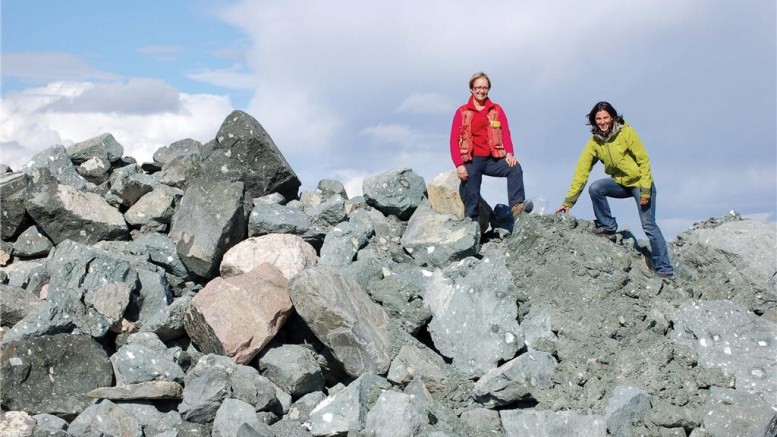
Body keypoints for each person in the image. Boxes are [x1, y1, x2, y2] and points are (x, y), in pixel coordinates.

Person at [555, 101, 674, 277]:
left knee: (648, 225)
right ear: (594, 121)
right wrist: (568, 202)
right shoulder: (595, 143)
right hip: (621, 184)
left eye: (605, 118)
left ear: (612, 118)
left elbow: (643, 161)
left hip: (640, 183)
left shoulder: (627, 133)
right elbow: (581, 172)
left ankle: (665, 269)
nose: (602, 122)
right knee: (596, 188)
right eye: (598, 119)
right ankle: (608, 227)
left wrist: (646, 191)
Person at [450, 72, 532, 227]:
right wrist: (459, 165)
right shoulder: (462, 112)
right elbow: (454, 140)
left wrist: (510, 153)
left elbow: (505, 132)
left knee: (515, 168)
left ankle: (517, 207)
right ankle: (472, 224)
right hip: (472, 159)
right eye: (478, 87)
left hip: (493, 158)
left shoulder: (496, 109)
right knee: (472, 190)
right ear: (471, 90)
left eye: (485, 87)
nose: (481, 91)